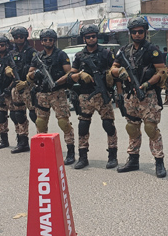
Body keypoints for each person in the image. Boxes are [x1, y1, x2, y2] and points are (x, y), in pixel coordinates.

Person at [110, 17, 167, 177]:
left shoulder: (152, 50)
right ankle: (133, 159)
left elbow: (161, 71)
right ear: (130, 33)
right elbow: (112, 69)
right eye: (134, 32)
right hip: (130, 96)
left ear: (145, 32)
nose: (137, 34)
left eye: (140, 31)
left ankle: (159, 161)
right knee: (132, 128)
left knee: (151, 128)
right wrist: (119, 72)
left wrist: (148, 84)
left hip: (148, 95)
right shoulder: (124, 51)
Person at [68, 24, 118, 169]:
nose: (91, 39)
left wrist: (110, 78)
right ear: (84, 38)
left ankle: (112, 156)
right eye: (88, 37)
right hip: (85, 95)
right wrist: (80, 75)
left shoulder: (106, 53)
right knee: (83, 126)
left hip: (103, 94)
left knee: (108, 125)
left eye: (93, 36)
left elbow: (115, 70)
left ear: (97, 37)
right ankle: (83, 157)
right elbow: (71, 76)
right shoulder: (79, 56)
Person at [27, 29, 77, 165]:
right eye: (45, 39)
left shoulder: (61, 54)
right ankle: (43, 151)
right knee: (41, 123)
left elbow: (69, 73)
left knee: (64, 123)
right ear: (41, 41)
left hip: (58, 93)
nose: (48, 42)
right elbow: (29, 74)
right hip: (42, 94)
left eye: (50, 39)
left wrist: (57, 82)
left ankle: (71, 151)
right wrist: (35, 74)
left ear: (54, 41)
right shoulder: (37, 57)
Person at [8, 26, 37, 154]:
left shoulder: (32, 52)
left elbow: (37, 68)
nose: (18, 39)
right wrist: (7, 69)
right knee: (18, 114)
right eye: (16, 37)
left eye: (21, 37)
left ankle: (40, 140)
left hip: (28, 86)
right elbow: (7, 66)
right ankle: (23, 142)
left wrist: (27, 82)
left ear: (25, 37)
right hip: (16, 87)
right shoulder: (11, 53)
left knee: (34, 114)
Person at [0, 36, 22, 150]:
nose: (0, 47)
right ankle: (4, 140)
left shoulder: (11, 58)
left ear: (7, 45)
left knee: (15, 116)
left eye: (2, 45)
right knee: (1, 115)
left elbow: (16, 76)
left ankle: (20, 139)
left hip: (10, 91)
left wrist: (9, 89)